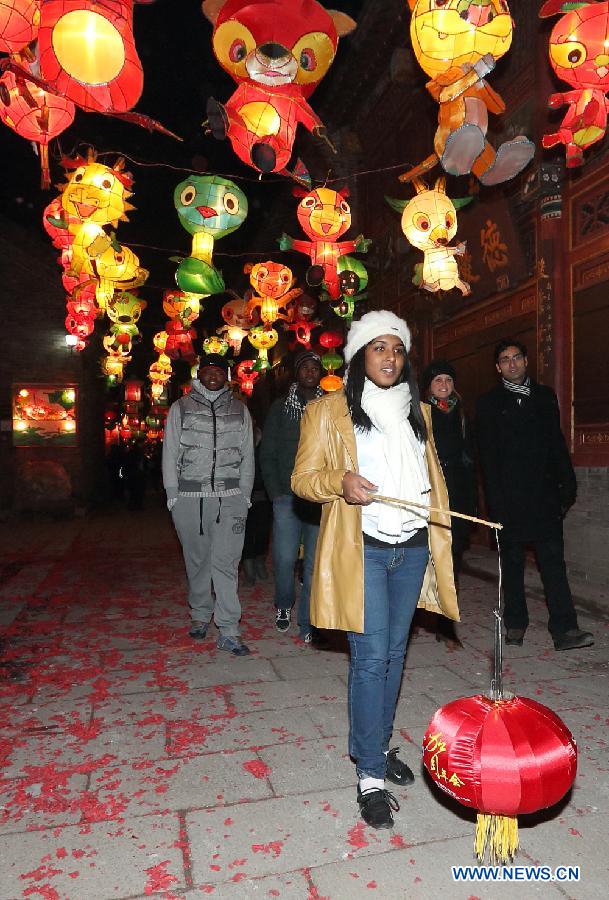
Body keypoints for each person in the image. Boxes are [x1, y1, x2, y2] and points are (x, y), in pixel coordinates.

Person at [291, 311, 458, 829]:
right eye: (378, 348)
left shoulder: (420, 414)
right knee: (369, 660)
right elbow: (302, 478)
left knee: (394, 654)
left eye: (397, 349)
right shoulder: (327, 410)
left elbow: (432, 476)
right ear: (360, 357)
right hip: (360, 546)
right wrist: (339, 481)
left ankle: (378, 747)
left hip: (410, 548)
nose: (389, 357)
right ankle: (369, 774)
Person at [476, 338, 593, 652]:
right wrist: (495, 506)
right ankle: (515, 624)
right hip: (509, 500)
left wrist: (567, 488)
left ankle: (565, 630)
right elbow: (487, 459)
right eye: (505, 359)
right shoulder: (488, 404)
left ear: (526, 361)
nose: (512, 364)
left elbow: (556, 443)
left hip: (544, 498)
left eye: (517, 358)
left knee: (554, 566)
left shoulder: (544, 397)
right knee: (512, 567)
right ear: (497, 367)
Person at [162, 353, 254, 656]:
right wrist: (172, 492)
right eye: (207, 371)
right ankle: (201, 614)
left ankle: (228, 629)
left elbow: (247, 456)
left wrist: (245, 493)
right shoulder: (181, 408)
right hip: (189, 497)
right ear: (198, 375)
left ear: (227, 376)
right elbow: (170, 450)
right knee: (197, 560)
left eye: (218, 371)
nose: (213, 375)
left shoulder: (240, 410)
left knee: (226, 563)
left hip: (230, 497)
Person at [259, 349, 324, 643]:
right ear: (296, 373)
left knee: (313, 563)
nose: (310, 372)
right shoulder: (280, 408)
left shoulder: (330, 406)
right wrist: (274, 493)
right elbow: (268, 452)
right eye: (305, 368)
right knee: (285, 559)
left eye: (315, 368)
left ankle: (307, 621)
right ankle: (284, 604)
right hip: (287, 496)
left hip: (319, 497)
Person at [422, 359, 477, 648]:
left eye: (448, 380)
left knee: (451, 563)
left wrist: (472, 504)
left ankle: (446, 625)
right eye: (438, 380)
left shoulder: (463, 413)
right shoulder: (420, 413)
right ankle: (415, 617)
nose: (444, 386)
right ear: (428, 385)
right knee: (423, 561)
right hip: (429, 496)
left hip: (457, 496)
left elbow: (471, 457)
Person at [241, 420, 272, 586]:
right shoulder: (237, 440)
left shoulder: (264, 439)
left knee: (262, 532)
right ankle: (248, 568)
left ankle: (259, 561)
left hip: (262, 495)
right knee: (244, 533)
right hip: (241, 496)